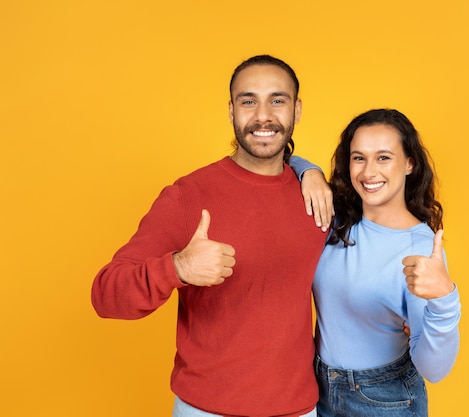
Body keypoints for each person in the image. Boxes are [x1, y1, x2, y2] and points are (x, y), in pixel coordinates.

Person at [91, 55, 334, 417]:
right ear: (231, 110)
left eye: (277, 101)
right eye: (248, 101)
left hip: (299, 409)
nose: (263, 116)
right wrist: (177, 268)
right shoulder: (188, 196)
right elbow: (106, 295)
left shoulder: (317, 199)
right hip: (206, 410)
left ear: (297, 110)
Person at [311, 109, 461, 416]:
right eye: (358, 157)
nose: (368, 172)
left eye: (383, 158)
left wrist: (445, 301)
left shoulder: (419, 248)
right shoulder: (337, 221)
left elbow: (434, 370)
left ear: (409, 163)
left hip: (383, 399)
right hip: (319, 389)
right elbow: (282, 164)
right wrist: (309, 172)